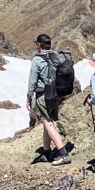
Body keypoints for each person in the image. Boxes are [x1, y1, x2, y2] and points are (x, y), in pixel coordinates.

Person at [26, 33, 71, 166]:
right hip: (56, 95)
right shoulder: (56, 56)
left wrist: (29, 97)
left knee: (48, 123)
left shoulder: (37, 60)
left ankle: (63, 153)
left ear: (39, 45)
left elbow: (32, 81)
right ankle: (46, 152)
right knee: (47, 122)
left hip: (43, 95)